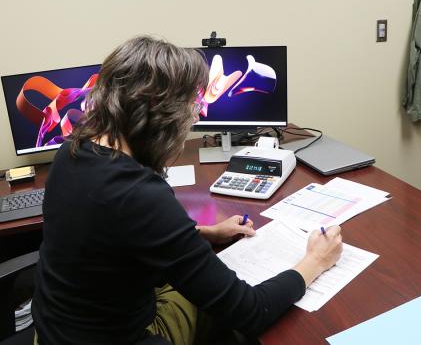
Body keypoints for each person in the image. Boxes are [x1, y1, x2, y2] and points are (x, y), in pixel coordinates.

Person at [32, 36, 343, 345]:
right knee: (229, 313)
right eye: (191, 107)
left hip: (53, 330)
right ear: (159, 112)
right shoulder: (139, 194)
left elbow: (110, 234)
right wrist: (316, 259)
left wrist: (205, 232)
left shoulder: (72, 151)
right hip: (119, 336)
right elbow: (250, 310)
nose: (197, 116)